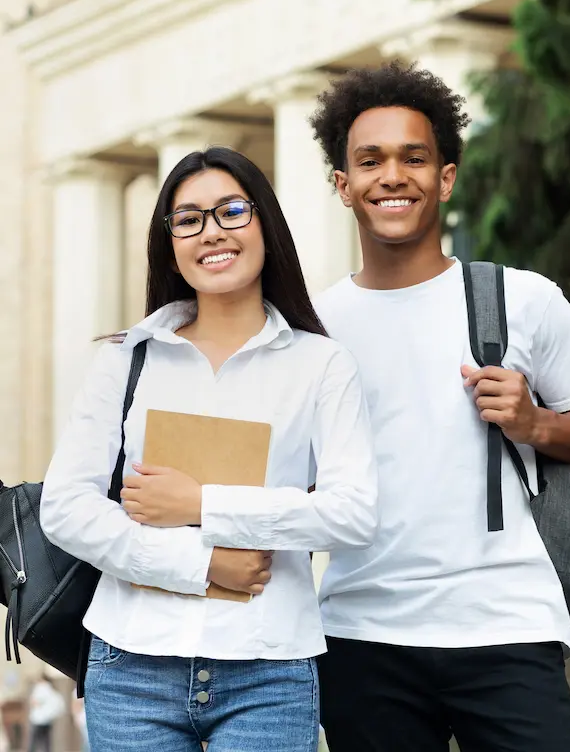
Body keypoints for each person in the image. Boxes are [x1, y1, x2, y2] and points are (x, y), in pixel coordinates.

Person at [309, 62, 570, 752]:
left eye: (414, 157)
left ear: (446, 177)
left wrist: (536, 423)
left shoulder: (522, 298)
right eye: (370, 160)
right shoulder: (312, 329)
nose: (392, 175)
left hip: (507, 626)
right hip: (364, 637)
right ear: (344, 185)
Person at [41, 146, 378, 752]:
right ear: (169, 242)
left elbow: (352, 513)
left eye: (230, 211)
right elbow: (65, 508)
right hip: (131, 664)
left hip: (268, 669)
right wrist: (202, 567)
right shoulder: (126, 359)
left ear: (265, 225)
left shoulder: (321, 364)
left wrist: (202, 503)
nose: (211, 232)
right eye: (188, 218)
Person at [27, 673, 64, 752]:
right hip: (48, 720)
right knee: (46, 742)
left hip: (37, 720)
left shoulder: (40, 687)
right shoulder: (52, 690)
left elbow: (33, 701)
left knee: (33, 742)